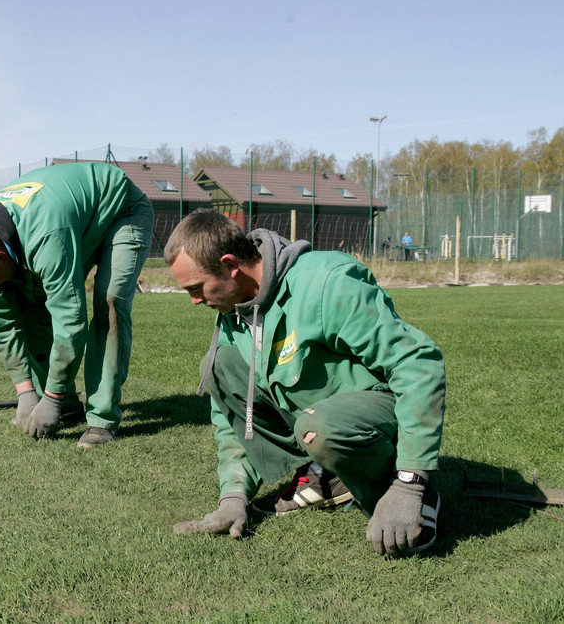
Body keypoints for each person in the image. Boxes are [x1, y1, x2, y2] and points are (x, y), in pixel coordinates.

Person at [164, 210, 445, 556]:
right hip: (317, 421)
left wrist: (411, 485)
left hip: (378, 414)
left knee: (319, 426)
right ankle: (328, 474)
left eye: (196, 287)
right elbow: (234, 416)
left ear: (229, 265)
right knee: (219, 364)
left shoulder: (325, 282)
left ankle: (405, 486)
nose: (194, 300)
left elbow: (417, 361)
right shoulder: (234, 312)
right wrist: (233, 497)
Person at [0, 162, 154, 449]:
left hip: (121, 210)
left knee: (110, 302)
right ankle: (67, 405)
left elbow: (71, 320)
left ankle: (102, 419)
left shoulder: (45, 238)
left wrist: (50, 398)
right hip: (72, 220)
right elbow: (2, 324)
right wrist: (25, 391)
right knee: (32, 304)